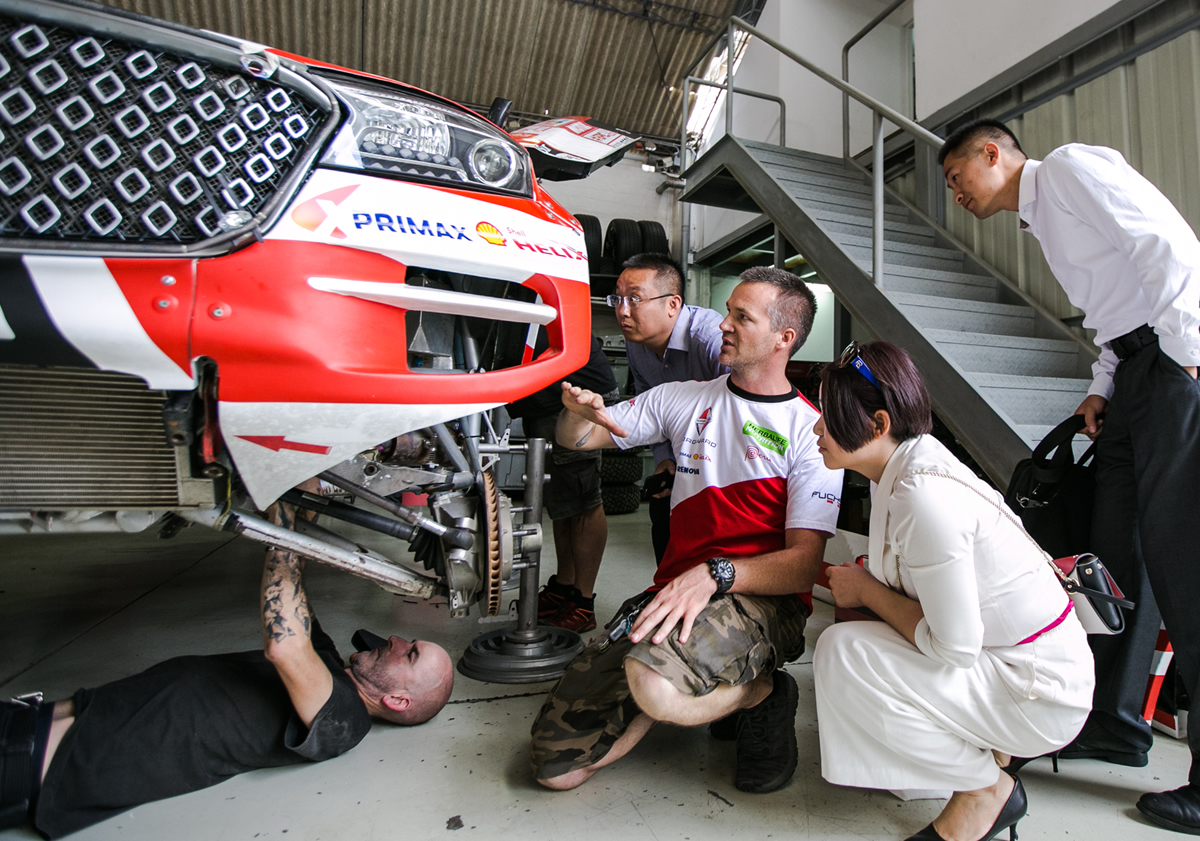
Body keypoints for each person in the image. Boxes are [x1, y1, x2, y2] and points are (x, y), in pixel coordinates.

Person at [939, 118, 1200, 833]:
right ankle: (1113, 721)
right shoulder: (1041, 217)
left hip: (1172, 370)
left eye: (958, 177)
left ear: (993, 154)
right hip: (1133, 378)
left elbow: (1169, 248)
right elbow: (1115, 311)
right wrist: (1104, 384)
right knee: (1114, 561)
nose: (956, 193)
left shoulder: (1072, 170)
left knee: (1183, 565)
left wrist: (1182, 360)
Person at [529, 267, 843, 795]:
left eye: (742, 317)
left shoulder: (811, 435)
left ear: (783, 339)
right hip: (675, 591)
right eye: (728, 312)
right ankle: (709, 677)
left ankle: (762, 692)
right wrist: (574, 414)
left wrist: (715, 576)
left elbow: (803, 566)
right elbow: (582, 438)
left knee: (656, 688)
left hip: (763, 600)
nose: (723, 325)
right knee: (556, 766)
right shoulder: (683, 398)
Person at [0, 493, 455, 839]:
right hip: (31, 721)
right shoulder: (330, 669)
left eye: (409, 653)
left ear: (396, 700)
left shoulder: (345, 720)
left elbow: (286, 644)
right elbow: (297, 602)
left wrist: (283, 534)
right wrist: (303, 496)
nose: (395, 640)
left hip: (36, 764)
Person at [812, 340, 1094, 841]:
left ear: (877, 425)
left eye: (829, 418)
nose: (817, 429)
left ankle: (985, 789)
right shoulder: (901, 467)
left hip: (1036, 691)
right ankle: (985, 761)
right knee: (854, 646)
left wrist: (866, 591)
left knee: (844, 654)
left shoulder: (923, 496)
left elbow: (955, 648)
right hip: (1013, 663)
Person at [611, 253, 730, 565]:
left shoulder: (712, 342)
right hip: (681, 460)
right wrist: (665, 460)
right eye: (617, 298)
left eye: (634, 299)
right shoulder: (636, 343)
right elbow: (650, 405)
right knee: (661, 508)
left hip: (723, 470)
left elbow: (740, 413)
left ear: (673, 305)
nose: (622, 311)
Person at [508, 334, 620, 632]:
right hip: (540, 397)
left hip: (573, 393)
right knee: (562, 502)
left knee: (583, 501)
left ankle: (583, 603)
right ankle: (564, 587)